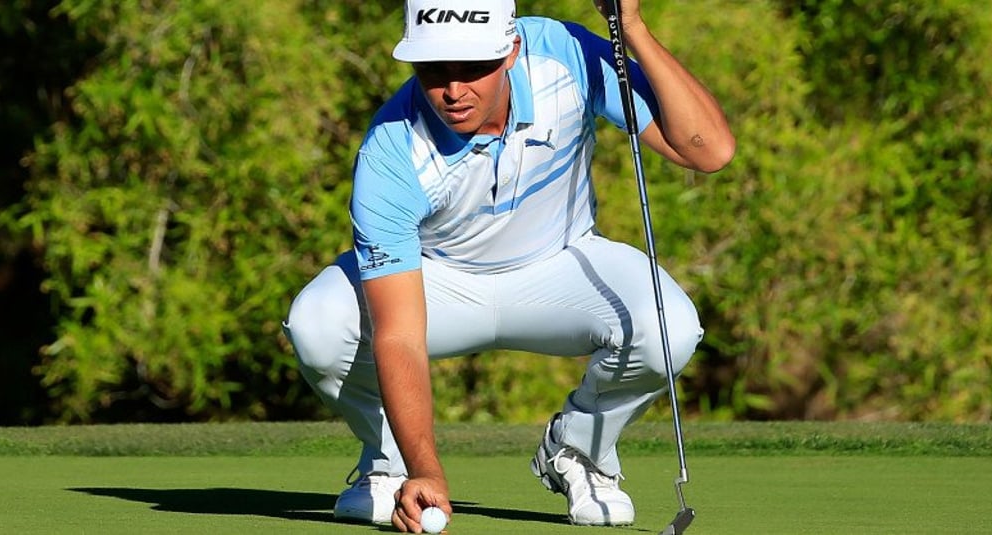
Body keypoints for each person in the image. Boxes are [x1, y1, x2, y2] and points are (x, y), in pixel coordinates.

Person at [283, 0, 734, 531]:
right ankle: (390, 463)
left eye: (473, 68)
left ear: (511, 50)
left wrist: (628, 26)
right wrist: (429, 468)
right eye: (434, 70)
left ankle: (579, 451)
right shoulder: (390, 152)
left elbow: (708, 151)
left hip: (563, 260)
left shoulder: (564, 57)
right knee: (317, 324)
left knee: (669, 328)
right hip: (437, 279)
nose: (454, 91)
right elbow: (400, 335)